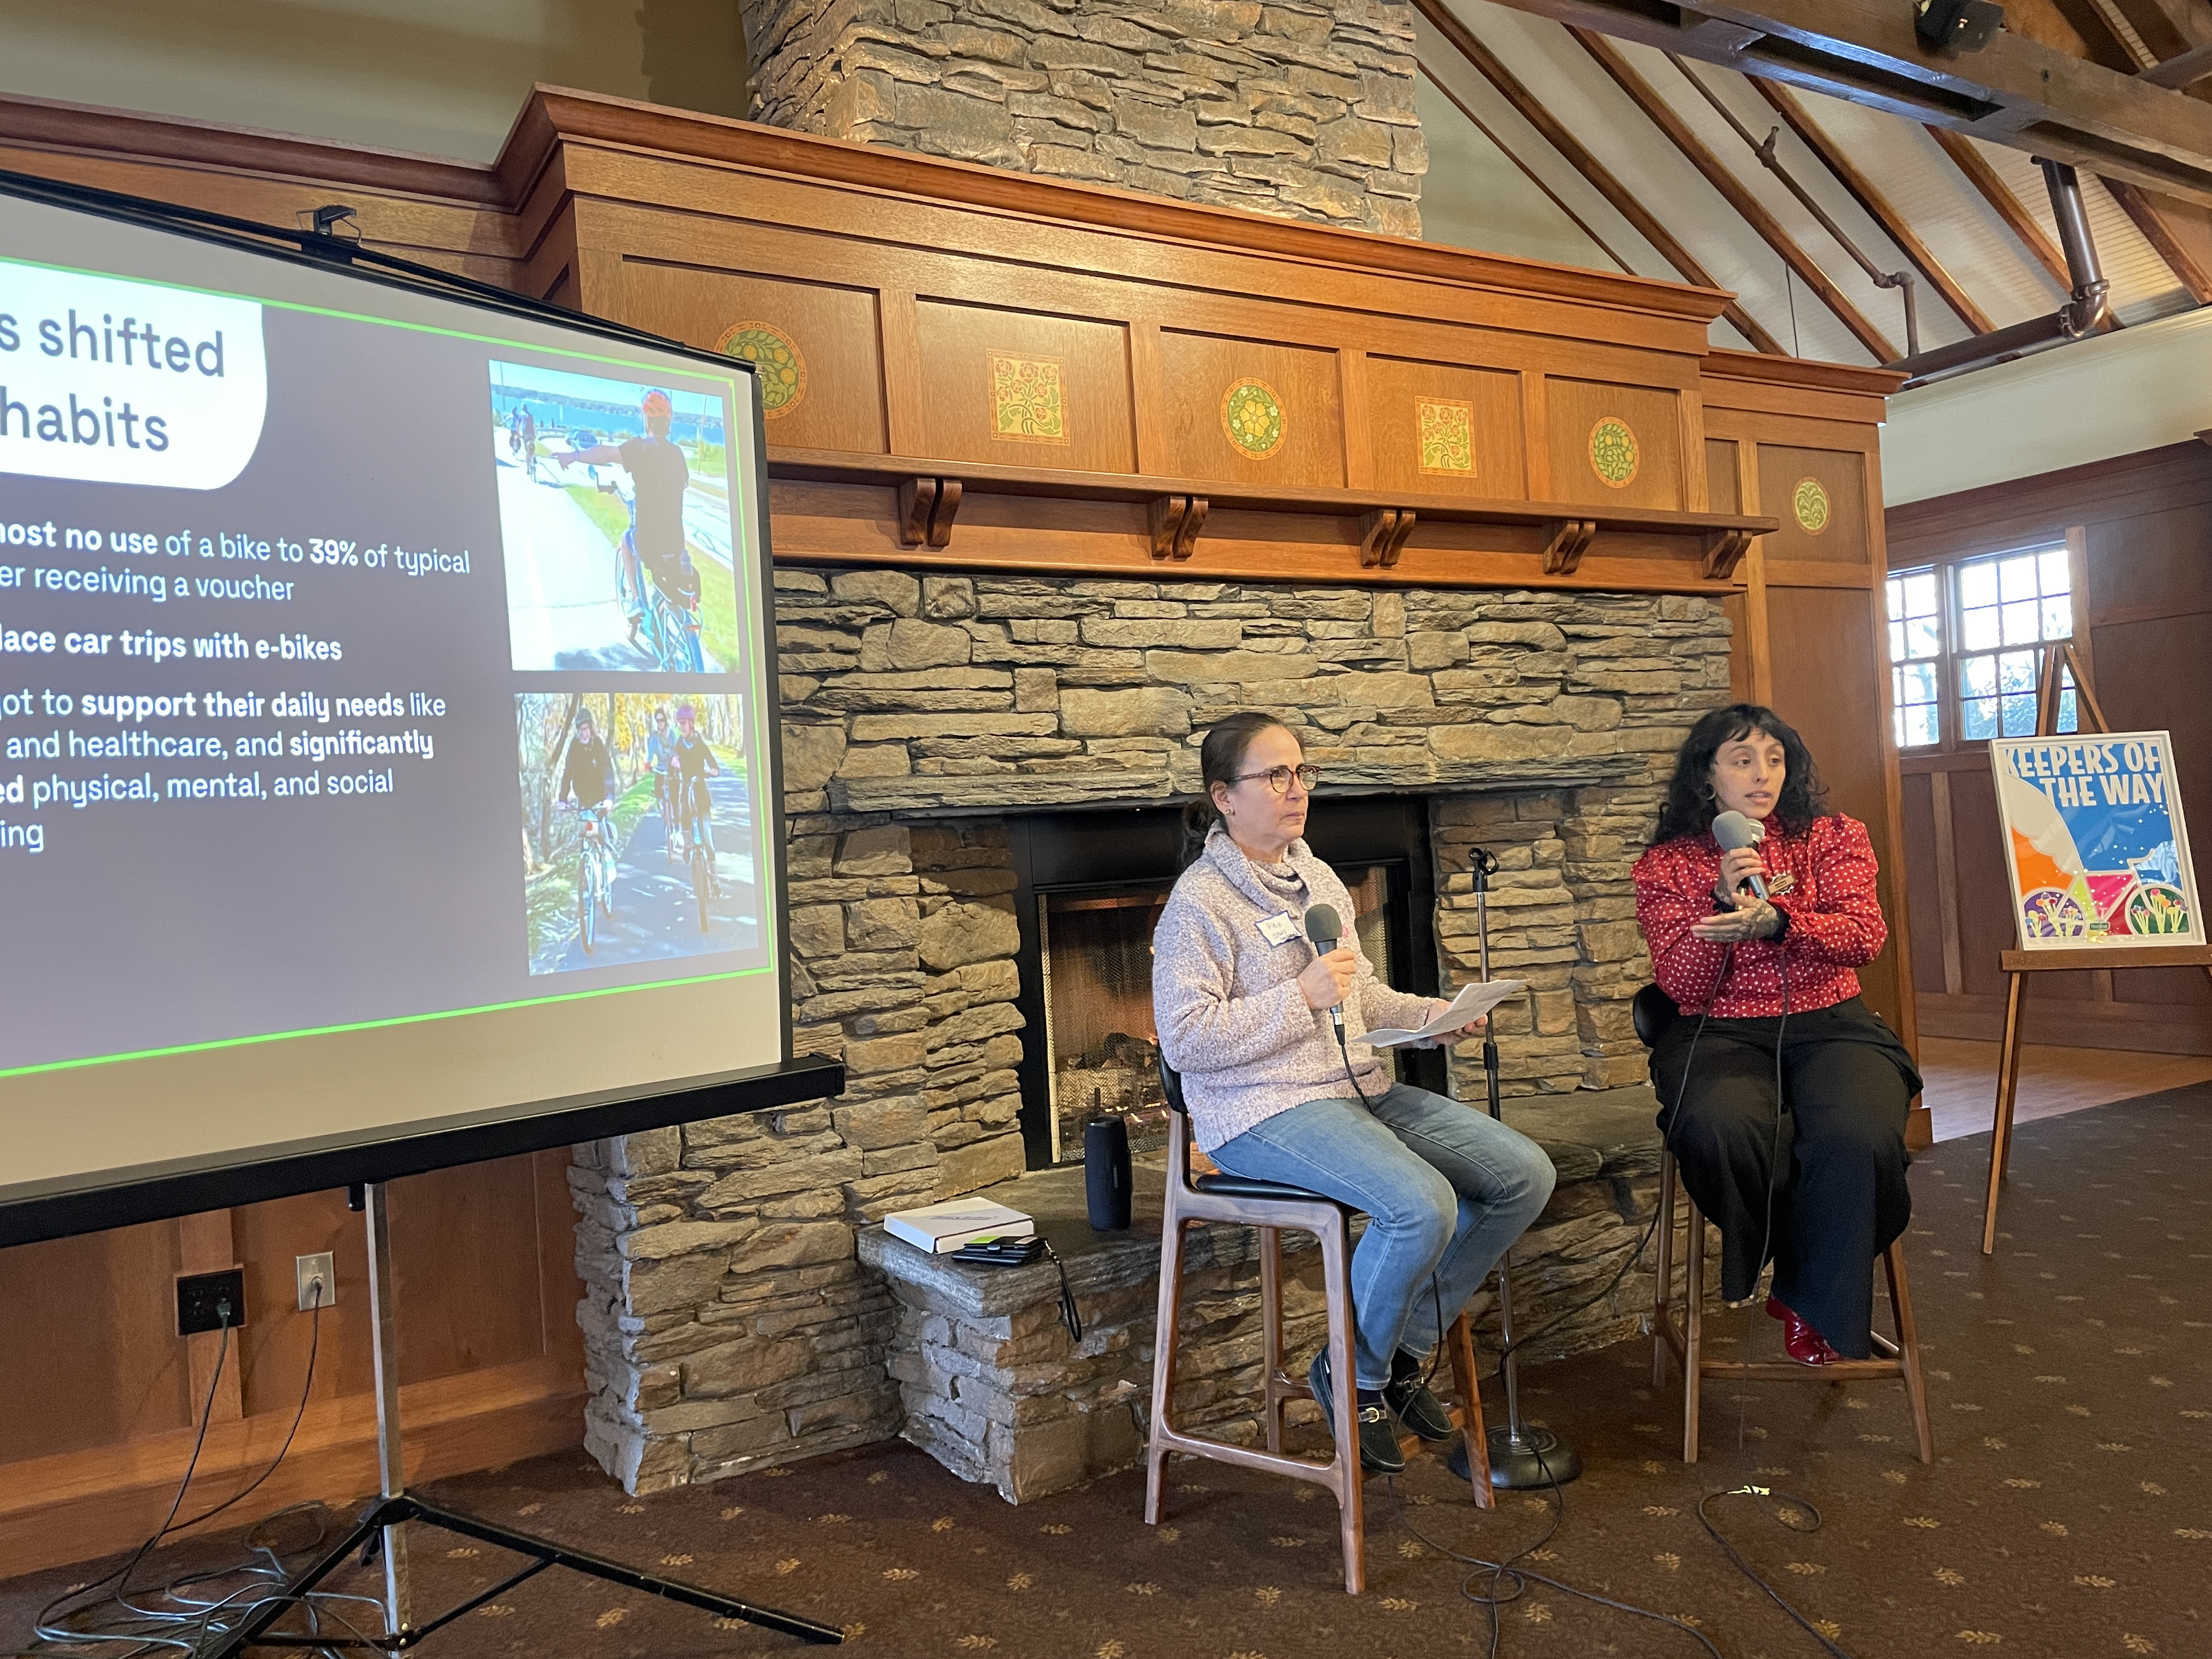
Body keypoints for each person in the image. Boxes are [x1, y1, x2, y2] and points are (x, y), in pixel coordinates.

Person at [1150, 713, 1556, 1474]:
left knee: (1521, 1176)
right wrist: (1297, 998)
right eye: (1275, 776)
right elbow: (1186, 1040)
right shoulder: (1199, 903)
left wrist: (1431, 1018)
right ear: (1224, 798)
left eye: (1302, 773)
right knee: (1422, 1204)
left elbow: (1361, 996)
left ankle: (1392, 1354)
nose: (1296, 789)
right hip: (1258, 1111)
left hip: (1354, 1087)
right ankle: (1357, 1376)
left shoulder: (1317, 876)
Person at [1632, 703, 1920, 1367]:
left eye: (1774, 759)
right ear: (1709, 779)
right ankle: (1806, 1278)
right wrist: (1719, 903)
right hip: (1721, 1029)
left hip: (1833, 1024)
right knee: (1721, 1125)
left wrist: (1782, 921)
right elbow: (1682, 985)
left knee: (1860, 1135)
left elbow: (1864, 937)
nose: (1762, 774)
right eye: (1742, 760)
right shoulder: (1669, 865)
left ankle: (1805, 1296)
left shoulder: (1831, 836)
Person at [555, 390, 697, 633]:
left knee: (626, 541)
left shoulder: (639, 449)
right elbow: (684, 483)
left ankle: (635, 600)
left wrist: (574, 455)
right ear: (669, 422)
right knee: (670, 579)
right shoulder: (678, 454)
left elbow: (604, 453)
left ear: (646, 420)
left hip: (648, 542)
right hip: (675, 542)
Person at [669, 701, 720, 895]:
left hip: (701, 793)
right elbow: (673, 760)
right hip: (686, 792)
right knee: (683, 814)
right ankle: (688, 844)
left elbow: (715, 765)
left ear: (691, 723)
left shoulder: (700, 744)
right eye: (679, 723)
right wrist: (674, 763)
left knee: (708, 841)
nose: (681, 726)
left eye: (684, 723)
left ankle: (715, 881)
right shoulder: (679, 746)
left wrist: (711, 771)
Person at [645, 704, 679, 859]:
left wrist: (677, 760)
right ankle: (664, 815)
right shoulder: (654, 737)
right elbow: (651, 752)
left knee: (675, 798)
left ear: (666, 721)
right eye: (657, 721)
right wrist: (648, 762)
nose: (660, 724)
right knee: (658, 790)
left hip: (672, 767)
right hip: (660, 768)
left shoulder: (672, 734)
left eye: (662, 720)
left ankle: (677, 830)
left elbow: (678, 748)